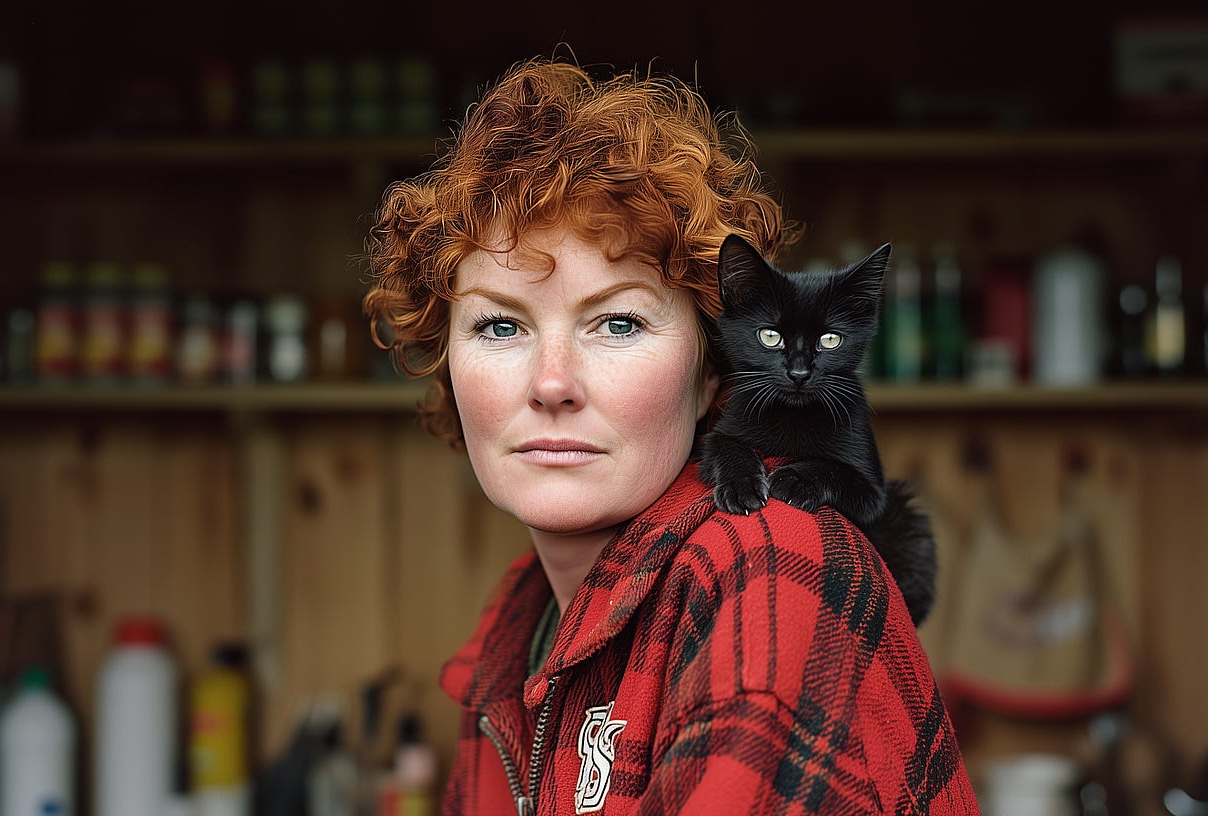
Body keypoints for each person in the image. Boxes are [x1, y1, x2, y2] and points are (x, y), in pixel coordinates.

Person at [365, 58, 978, 815]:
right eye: (499, 325)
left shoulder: (772, 574)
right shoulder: (519, 634)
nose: (552, 382)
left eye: (617, 322)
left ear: (713, 373)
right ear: (449, 368)